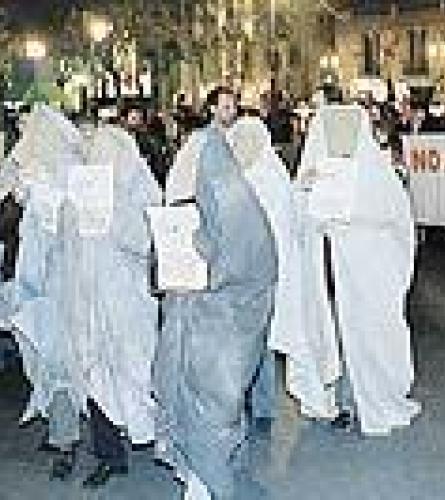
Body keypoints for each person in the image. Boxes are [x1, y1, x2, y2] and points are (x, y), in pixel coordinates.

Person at [8, 105, 161, 487]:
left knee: (129, 376)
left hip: (124, 306)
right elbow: (63, 241)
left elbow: (144, 241)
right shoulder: (78, 191)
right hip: (86, 302)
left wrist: (112, 219)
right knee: (94, 377)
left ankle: (129, 442)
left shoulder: (136, 194)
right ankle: (109, 454)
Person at [154, 113, 277, 500]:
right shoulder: (220, 202)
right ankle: (208, 480)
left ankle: (210, 486)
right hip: (193, 331)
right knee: (200, 411)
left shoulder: (238, 208)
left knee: (214, 411)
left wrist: (201, 257)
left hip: (222, 335)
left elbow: (244, 266)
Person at [290, 104, 420, 435]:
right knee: (329, 333)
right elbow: (298, 222)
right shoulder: (313, 170)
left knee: (369, 333)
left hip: (368, 274)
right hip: (325, 272)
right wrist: (307, 190)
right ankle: (335, 403)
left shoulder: (377, 172)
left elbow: (395, 218)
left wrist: (351, 219)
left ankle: (368, 398)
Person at [166, 87, 281, 431]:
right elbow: (183, 193)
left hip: (247, 260)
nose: (230, 112)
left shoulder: (247, 146)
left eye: (234, 106)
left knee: (255, 331)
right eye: (224, 106)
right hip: (219, 258)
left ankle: (260, 406)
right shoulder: (201, 145)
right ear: (211, 109)